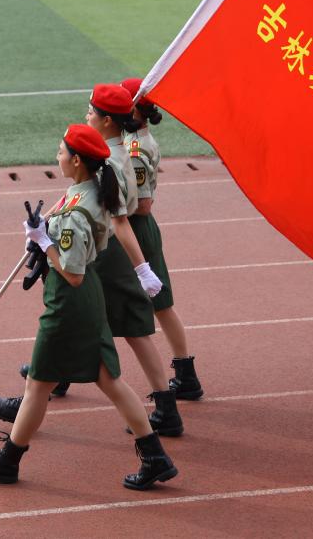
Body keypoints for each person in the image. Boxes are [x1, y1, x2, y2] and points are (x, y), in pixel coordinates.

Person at [0, 124, 178, 490]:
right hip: (86, 298)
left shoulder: (78, 210)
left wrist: (44, 242)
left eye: (61, 152)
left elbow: (72, 273)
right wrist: (44, 232)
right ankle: (155, 457)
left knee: (38, 383)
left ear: (77, 161)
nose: (57, 156)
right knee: (107, 380)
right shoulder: (89, 190)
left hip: (69, 302)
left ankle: (9, 461)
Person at [0, 85, 184, 437]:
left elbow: (120, 220)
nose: (87, 115)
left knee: (126, 329)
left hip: (107, 255)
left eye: (91, 111)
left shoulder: (113, 161)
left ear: (106, 121)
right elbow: (80, 198)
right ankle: (50, 383)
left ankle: (163, 408)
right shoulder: (106, 152)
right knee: (102, 329)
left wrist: (141, 269)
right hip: (102, 250)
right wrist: (49, 224)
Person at [120, 77, 203, 400]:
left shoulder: (135, 149)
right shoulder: (133, 140)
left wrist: (111, 204)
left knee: (160, 302)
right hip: (133, 227)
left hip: (135, 228)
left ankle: (186, 375)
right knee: (159, 304)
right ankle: (186, 375)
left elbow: (142, 204)